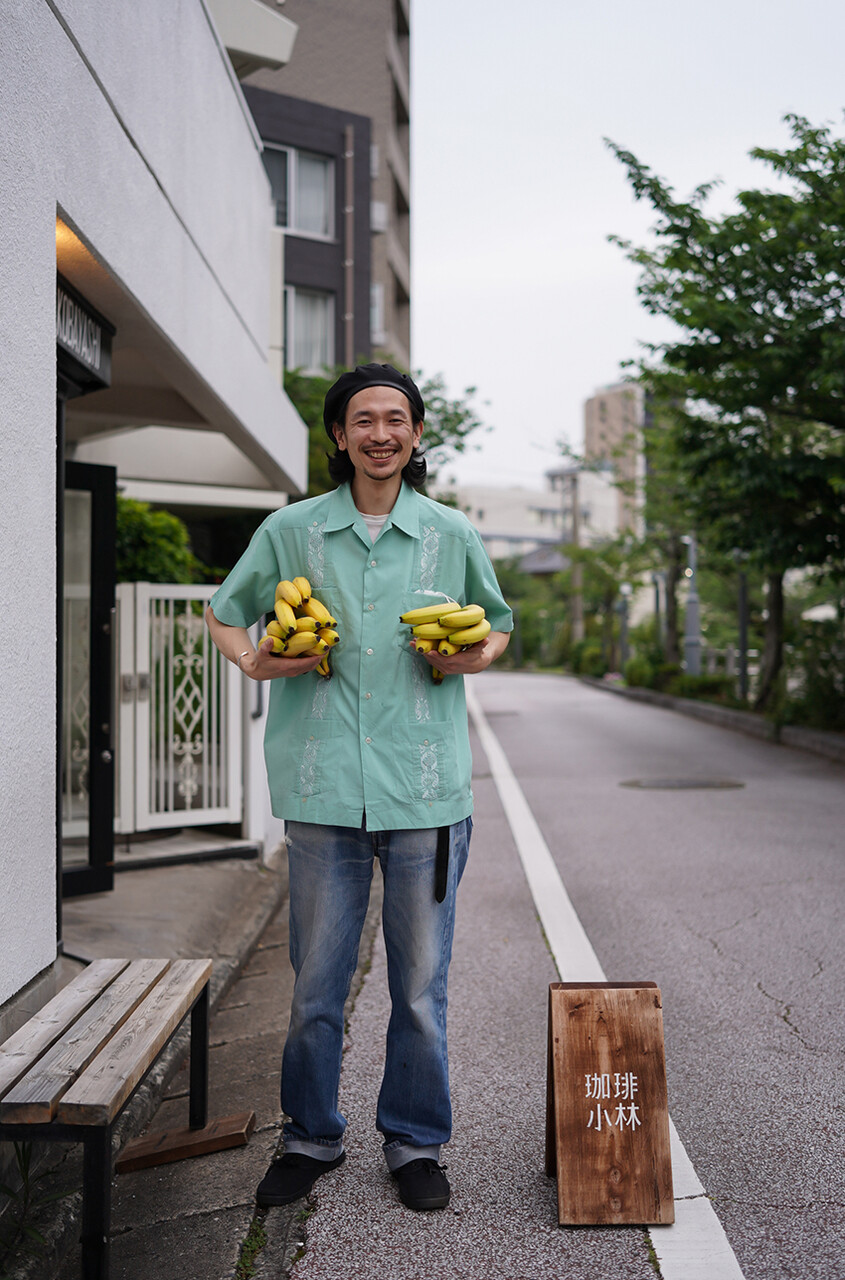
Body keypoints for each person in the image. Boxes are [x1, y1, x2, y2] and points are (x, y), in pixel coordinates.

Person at [206, 363, 512, 1212]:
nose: (380, 433)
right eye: (362, 420)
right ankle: (309, 1135)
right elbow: (226, 610)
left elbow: (499, 624)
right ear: (338, 436)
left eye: (396, 419)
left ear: (415, 435)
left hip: (425, 790)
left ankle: (414, 1143)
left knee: (419, 986)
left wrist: (470, 656)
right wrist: (258, 660)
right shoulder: (289, 532)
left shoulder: (450, 535)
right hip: (324, 788)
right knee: (314, 984)